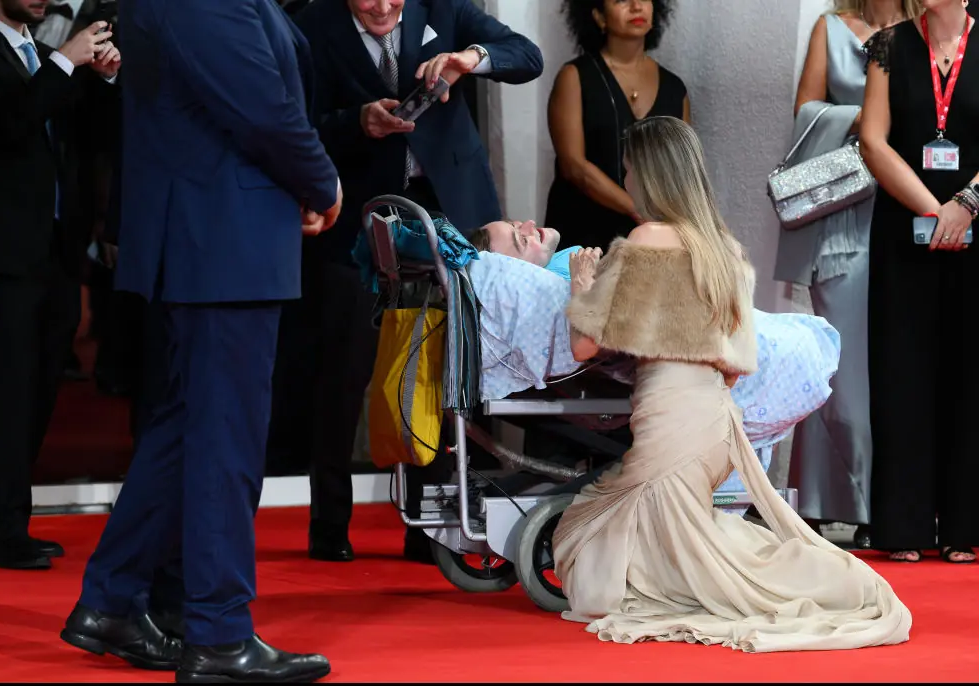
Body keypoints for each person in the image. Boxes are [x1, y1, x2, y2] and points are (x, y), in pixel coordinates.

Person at [59, 0, 343, 682]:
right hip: (223, 234)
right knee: (223, 441)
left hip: (214, 231)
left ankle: (112, 601)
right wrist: (322, 181)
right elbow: (260, 108)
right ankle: (216, 633)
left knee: (188, 430)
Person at [550, 115, 910, 652]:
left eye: (627, 170)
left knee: (585, 542)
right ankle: (803, 575)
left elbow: (584, 347)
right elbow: (739, 365)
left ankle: (818, 582)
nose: (624, 181)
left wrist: (582, 281)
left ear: (648, 175)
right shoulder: (725, 249)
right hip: (715, 424)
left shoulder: (645, 240)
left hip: (670, 424)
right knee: (646, 537)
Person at [277, 0, 543, 564]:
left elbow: (527, 56)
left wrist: (470, 58)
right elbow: (292, 125)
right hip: (355, 218)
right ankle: (329, 524)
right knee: (343, 371)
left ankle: (433, 526)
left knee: (443, 367)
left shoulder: (442, 9)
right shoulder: (309, 27)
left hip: (449, 213)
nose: (383, 7)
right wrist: (357, 122)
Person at [0, 0, 119, 570]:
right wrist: (64, 66)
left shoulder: (47, 57)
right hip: (3, 251)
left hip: (55, 251)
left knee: (44, 383)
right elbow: (8, 128)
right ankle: (7, 530)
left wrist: (103, 76)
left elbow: (89, 136)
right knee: (8, 391)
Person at [778, 0, 922, 550]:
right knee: (843, 366)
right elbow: (805, 112)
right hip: (846, 212)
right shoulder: (831, 27)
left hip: (912, 204)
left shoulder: (927, 29)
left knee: (904, 361)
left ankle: (899, 501)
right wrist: (860, 119)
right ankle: (831, 500)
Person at [859, 0, 979, 563]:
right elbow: (873, 141)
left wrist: (966, 205)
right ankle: (902, 525)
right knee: (900, 372)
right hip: (905, 231)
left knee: (970, 374)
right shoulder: (888, 45)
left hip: (977, 225)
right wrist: (935, 211)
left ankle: (965, 525)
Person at [544, 0, 689, 250]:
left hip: (650, 238)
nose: (636, 6)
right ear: (599, 17)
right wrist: (637, 209)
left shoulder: (675, 88)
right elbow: (574, 167)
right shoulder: (574, 76)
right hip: (583, 233)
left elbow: (683, 167)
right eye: (620, 0)